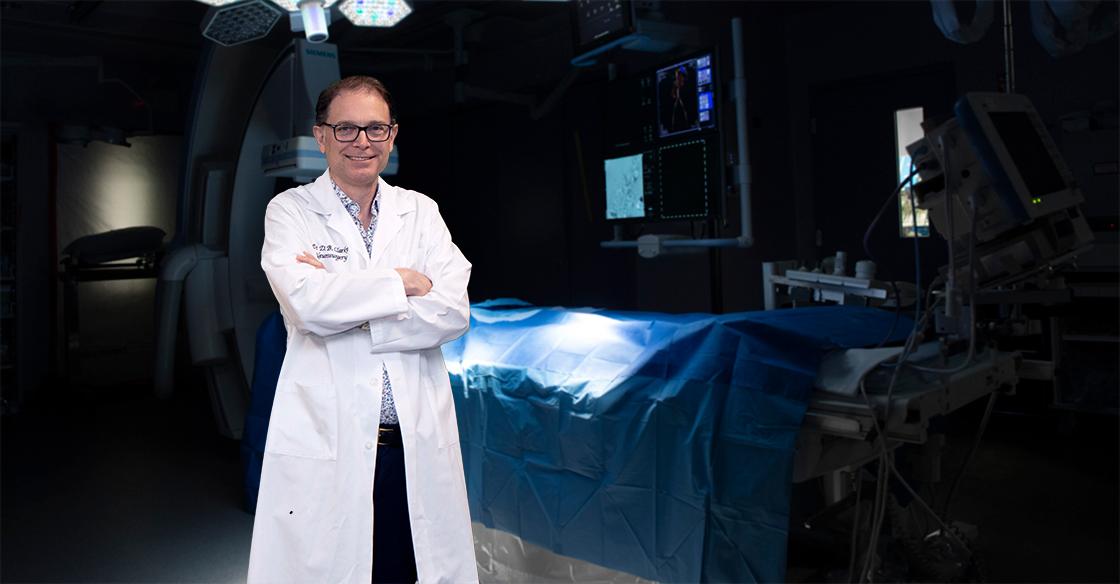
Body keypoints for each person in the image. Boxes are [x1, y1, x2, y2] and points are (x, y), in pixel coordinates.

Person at [247, 76, 477, 584]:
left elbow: (453, 310)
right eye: (346, 128)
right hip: (332, 434)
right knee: (334, 567)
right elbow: (308, 305)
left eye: (375, 128)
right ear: (321, 136)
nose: (362, 142)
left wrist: (347, 301)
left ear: (392, 136)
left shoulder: (421, 211)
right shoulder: (290, 212)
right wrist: (400, 281)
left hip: (408, 439)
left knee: (406, 567)